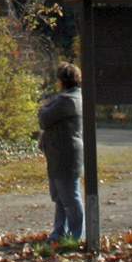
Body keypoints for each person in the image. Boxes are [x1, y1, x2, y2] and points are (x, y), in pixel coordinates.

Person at [37, 61, 84, 245]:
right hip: (60, 153)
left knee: (70, 197)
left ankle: (75, 236)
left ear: (62, 80)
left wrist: (43, 108)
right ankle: (59, 232)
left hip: (64, 154)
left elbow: (44, 118)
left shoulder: (68, 101)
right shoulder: (73, 98)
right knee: (61, 196)